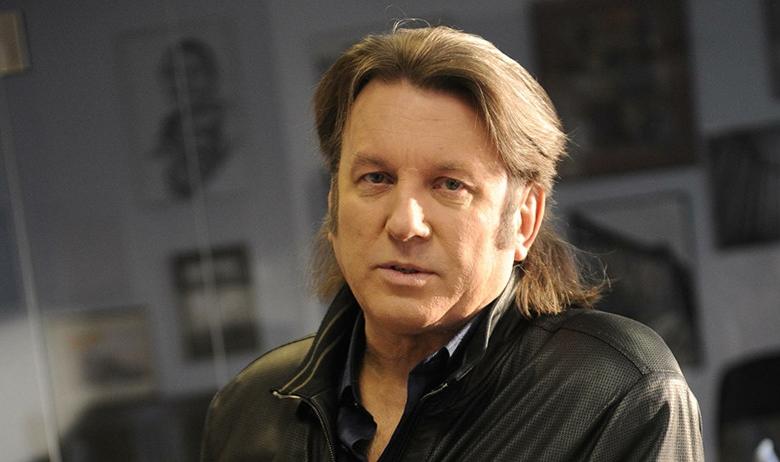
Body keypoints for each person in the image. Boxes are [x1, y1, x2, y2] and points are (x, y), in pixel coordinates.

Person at [200, 25, 704, 461]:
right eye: (376, 178)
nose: (405, 224)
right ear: (333, 203)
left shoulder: (617, 392)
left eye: (450, 185)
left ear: (524, 219)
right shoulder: (250, 409)